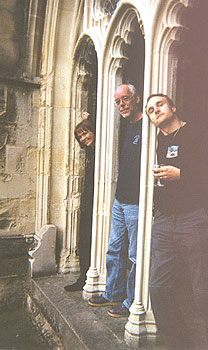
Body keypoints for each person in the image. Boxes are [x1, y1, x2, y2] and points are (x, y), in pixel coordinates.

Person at [145, 94, 208, 349]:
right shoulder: (158, 140)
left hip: (194, 219)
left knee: (203, 292)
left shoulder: (196, 134)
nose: (156, 110)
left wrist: (182, 175)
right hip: (165, 222)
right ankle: (177, 343)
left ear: (173, 107)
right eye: (151, 110)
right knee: (158, 289)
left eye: (160, 104)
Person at [88, 83, 143, 318]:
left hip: (137, 202)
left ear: (137, 98)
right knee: (114, 249)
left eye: (125, 99)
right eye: (117, 101)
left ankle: (131, 302)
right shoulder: (126, 127)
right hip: (120, 200)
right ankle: (113, 292)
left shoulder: (147, 127)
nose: (121, 104)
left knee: (135, 255)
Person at [64, 112, 95, 292]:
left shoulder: (104, 150)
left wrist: (89, 117)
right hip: (88, 203)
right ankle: (83, 277)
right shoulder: (90, 152)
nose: (83, 138)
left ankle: (87, 277)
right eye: (80, 136)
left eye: (85, 133)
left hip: (97, 204)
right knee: (83, 241)